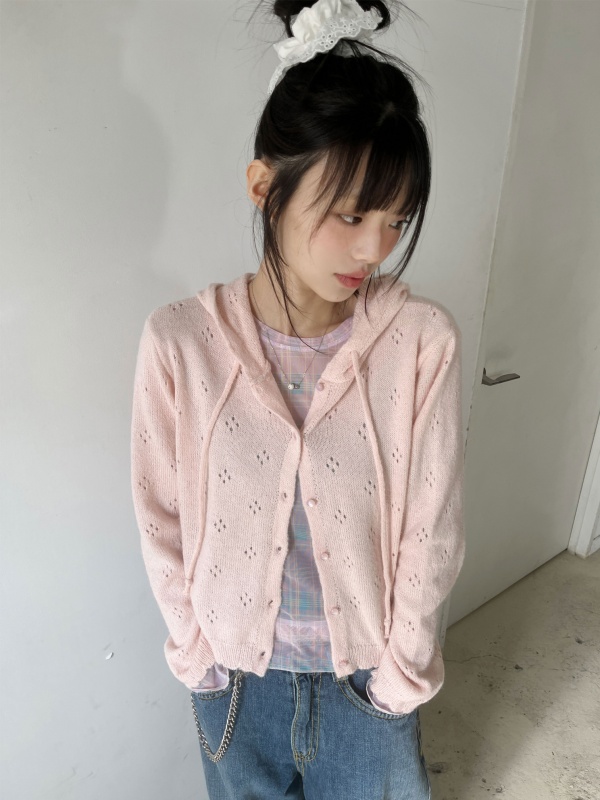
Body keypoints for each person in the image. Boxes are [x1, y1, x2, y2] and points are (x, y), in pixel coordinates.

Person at [130, 0, 466, 797]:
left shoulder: (420, 343)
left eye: (397, 219)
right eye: (351, 214)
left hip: (368, 687)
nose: (375, 247)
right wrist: (198, 657)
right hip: (235, 686)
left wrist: (399, 677)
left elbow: (431, 528)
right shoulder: (180, 343)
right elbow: (159, 517)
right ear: (263, 185)